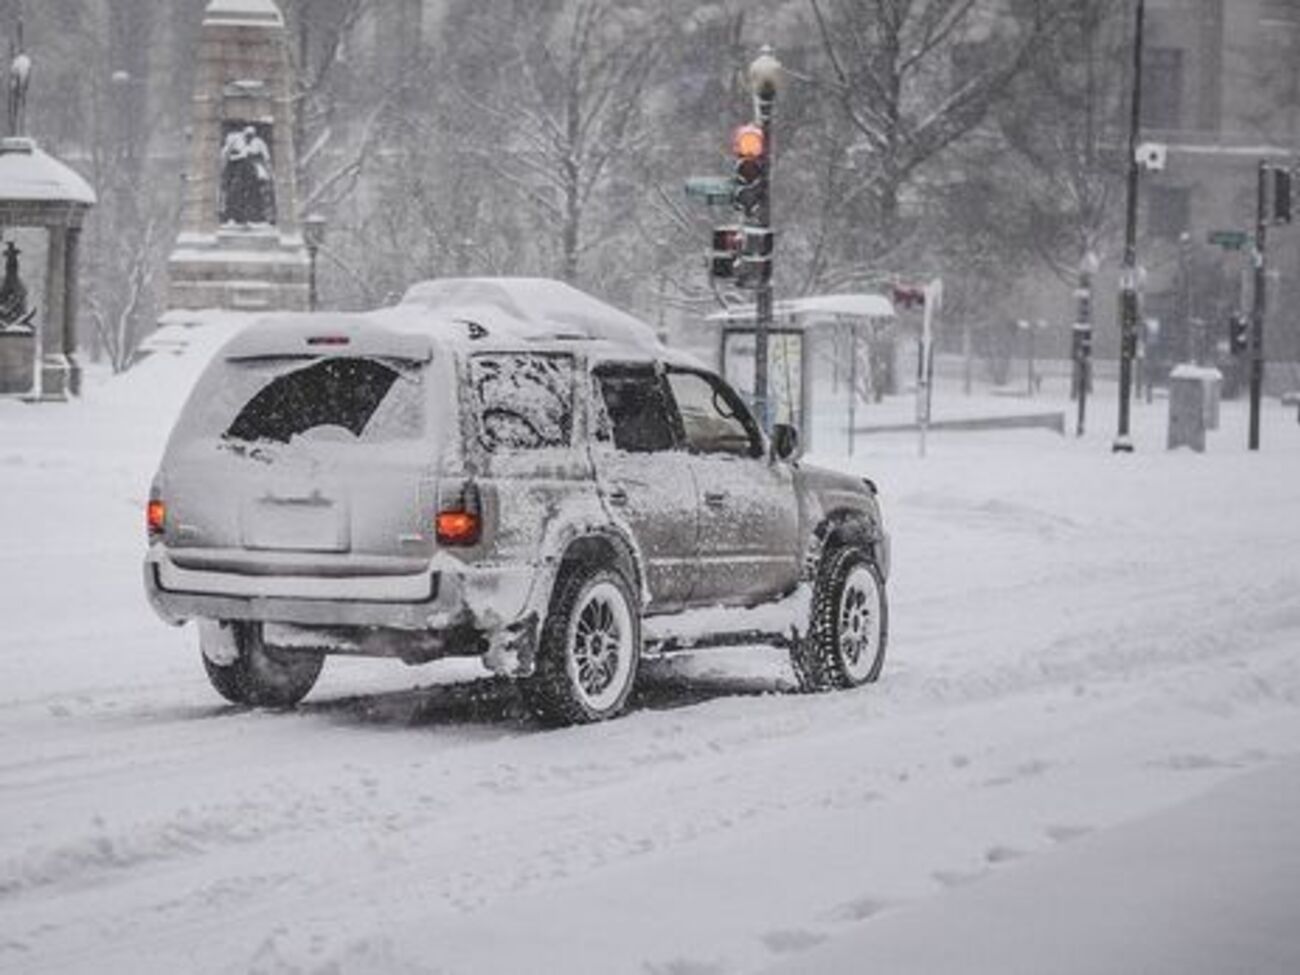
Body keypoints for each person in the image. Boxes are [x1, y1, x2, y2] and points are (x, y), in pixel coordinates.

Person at [220, 125, 276, 225]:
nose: (249, 138)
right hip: (236, 169)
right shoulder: (234, 139)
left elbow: (266, 157)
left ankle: (254, 217)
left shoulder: (258, 142)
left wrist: (268, 171)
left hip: (251, 171)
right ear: (243, 133)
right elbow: (225, 154)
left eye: (251, 136)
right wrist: (239, 156)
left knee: (253, 193)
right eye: (247, 136)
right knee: (234, 192)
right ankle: (232, 216)